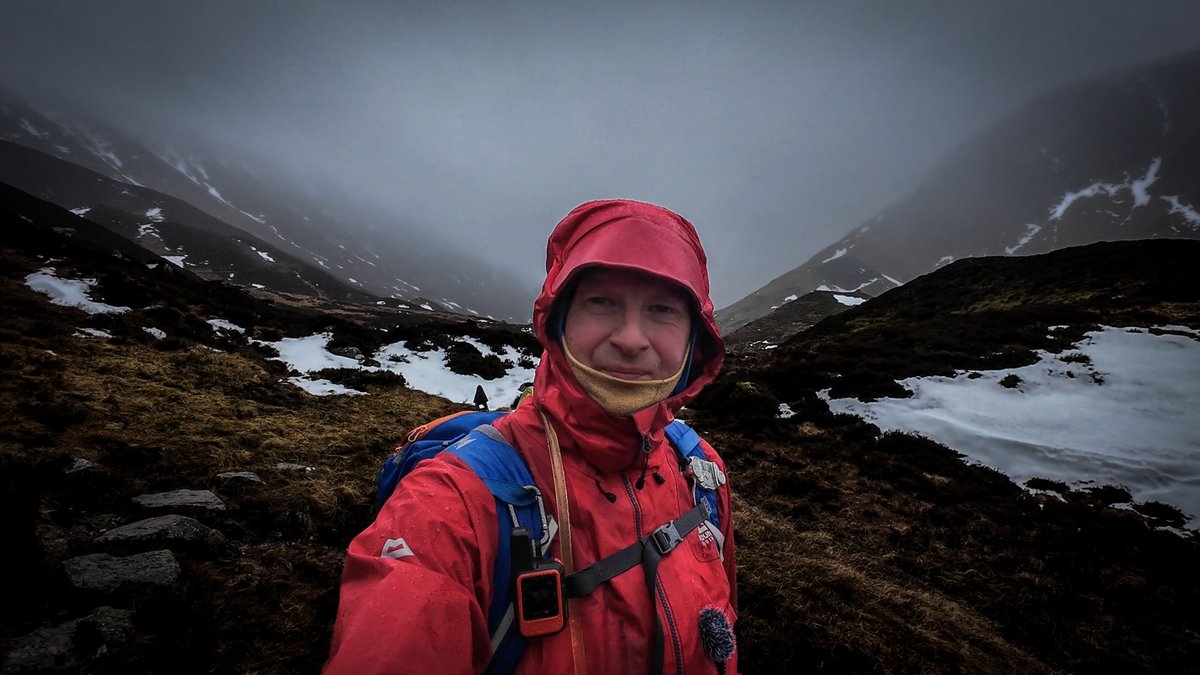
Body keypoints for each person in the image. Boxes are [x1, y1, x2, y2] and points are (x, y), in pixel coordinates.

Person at [324, 199, 736, 674]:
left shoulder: (701, 472)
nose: (630, 338)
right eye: (601, 302)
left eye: (662, 310)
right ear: (557, 321)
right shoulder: (451, 503)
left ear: (694, 340)